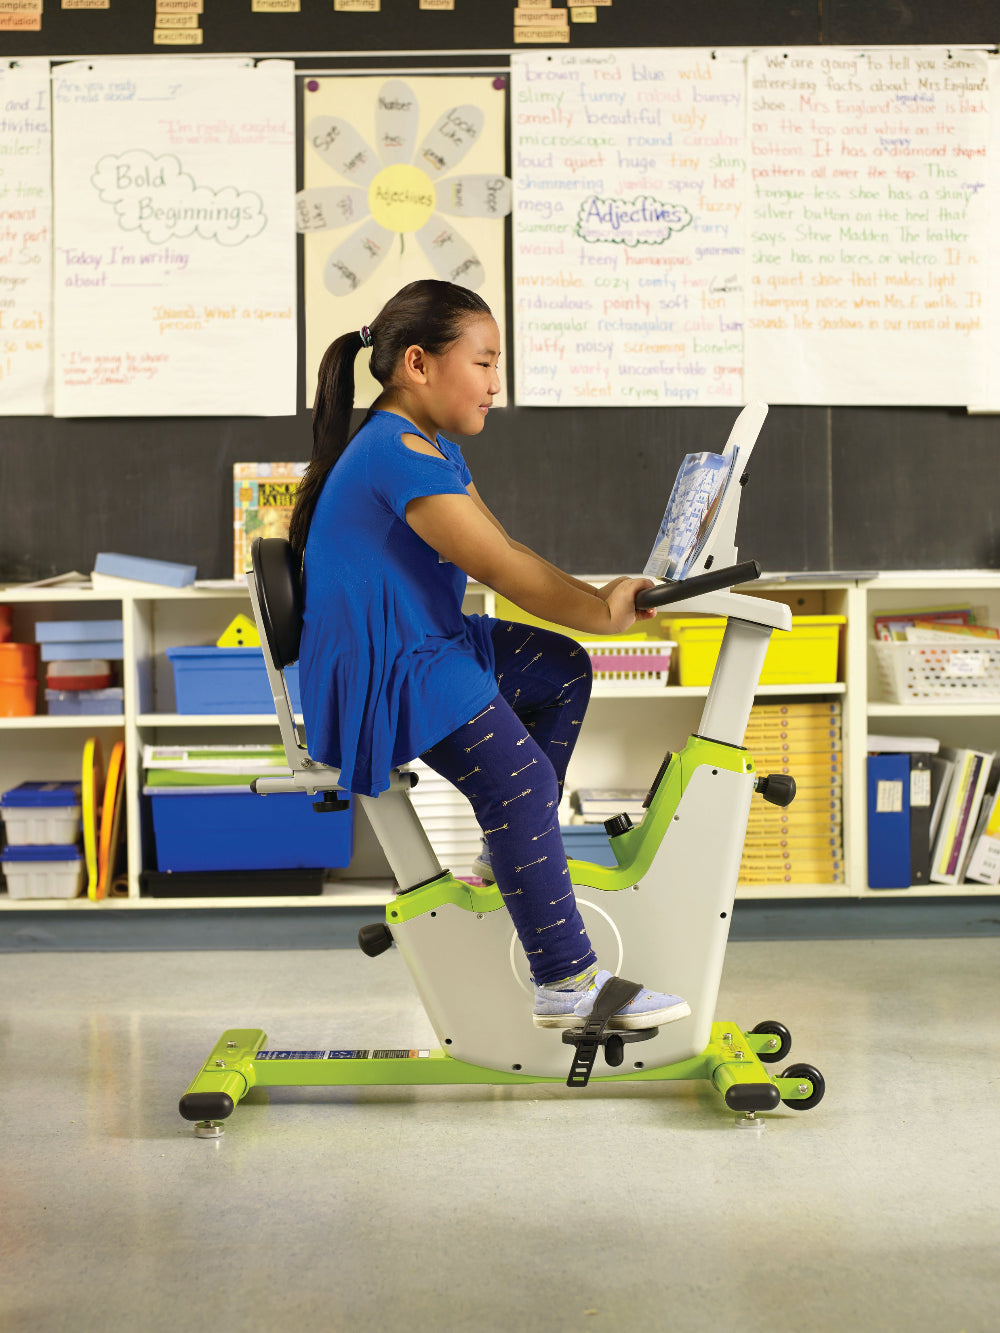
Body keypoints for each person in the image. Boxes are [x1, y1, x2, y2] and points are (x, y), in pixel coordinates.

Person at [289, 278, 690, 1031]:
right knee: (520, 782)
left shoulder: (422, 442)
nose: (496, 384)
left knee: (561, 670)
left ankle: (506, 851)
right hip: (391, 664)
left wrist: (599, 599)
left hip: (423, 638)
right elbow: (501, 572)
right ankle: (567, 981)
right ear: (418, 362)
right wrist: (605, 611)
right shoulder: (395, 453)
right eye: (484, 361)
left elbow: (503, 546)